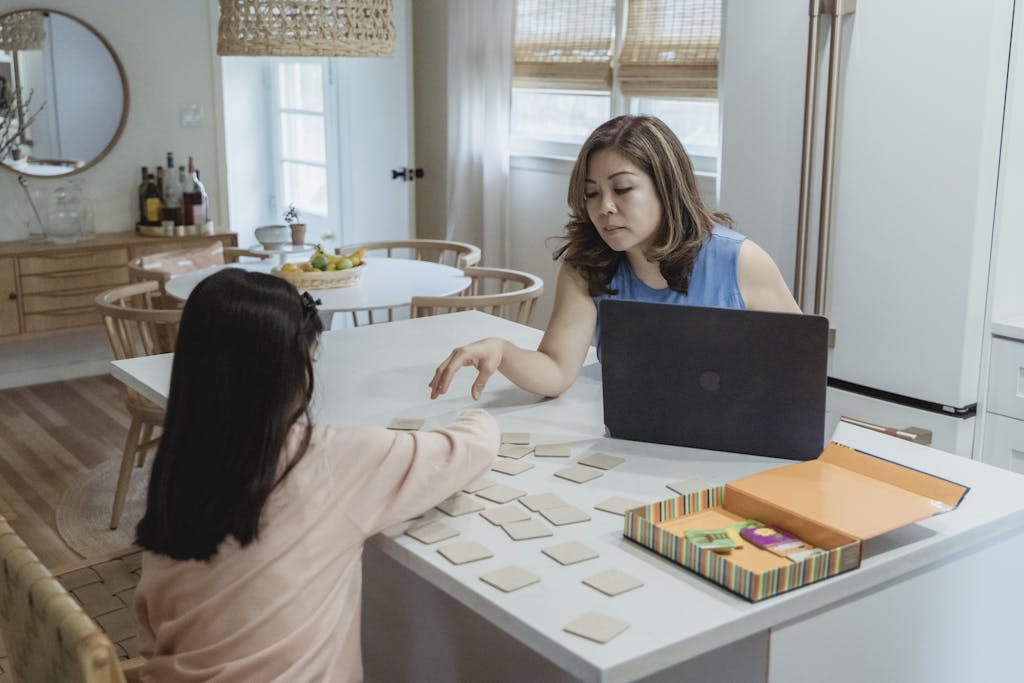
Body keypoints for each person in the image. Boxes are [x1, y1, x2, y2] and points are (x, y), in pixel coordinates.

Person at [133, 268, 498, 682]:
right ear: (296, 369)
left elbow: (149, 635)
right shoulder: (330, 458)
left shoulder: (175, 472)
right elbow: (472, 448)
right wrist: (476, 414)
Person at [429, 114, 800, 401]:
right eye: (592, 194)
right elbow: (556, 371)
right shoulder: (587, 264)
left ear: (666, 187)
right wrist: (504, 351)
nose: (604, 208)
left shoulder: (740, 260)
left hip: (732, 433)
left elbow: (799, 367)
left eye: (622, 189)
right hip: (631, 430)